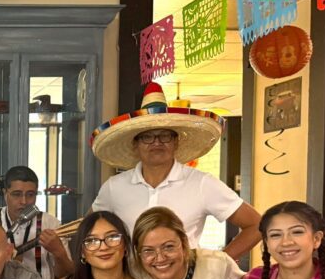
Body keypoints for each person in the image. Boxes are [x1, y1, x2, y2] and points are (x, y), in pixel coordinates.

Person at [91, 82, 262, 260]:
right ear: (135, 145)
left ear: (176, 142)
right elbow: (89, 229)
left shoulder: (201, 183)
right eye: (147, 137)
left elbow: (256, 224)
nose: (156, 143)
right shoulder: (115, 187)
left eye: (165, 135)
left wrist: (217, 265)